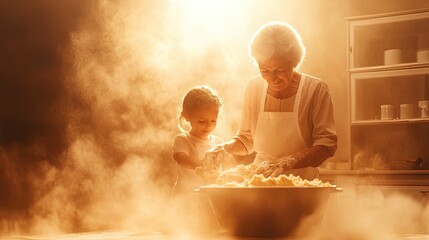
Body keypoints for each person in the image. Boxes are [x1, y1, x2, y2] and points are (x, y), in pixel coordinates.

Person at [207, 21, 338, 180]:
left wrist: (287, 162)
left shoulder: (316, 89)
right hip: (260, 180)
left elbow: (326, 146)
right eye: (265, 71)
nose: (272, 78)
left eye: (279, 70)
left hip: (302, 184)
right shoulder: (253, 87)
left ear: (293, 62)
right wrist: (223, 148)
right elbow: (246, 140)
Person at [165, 85, 226, 233]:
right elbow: (181, 158)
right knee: (187, 231)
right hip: (187, 197)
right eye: (202, 121)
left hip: (210, 199)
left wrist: (238, 174)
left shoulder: (218, 142)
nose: (208, 126)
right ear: (187, 117)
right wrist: (202, 164)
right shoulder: (183, 139)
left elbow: (229, 162)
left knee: (212, 231)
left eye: (213, 121)